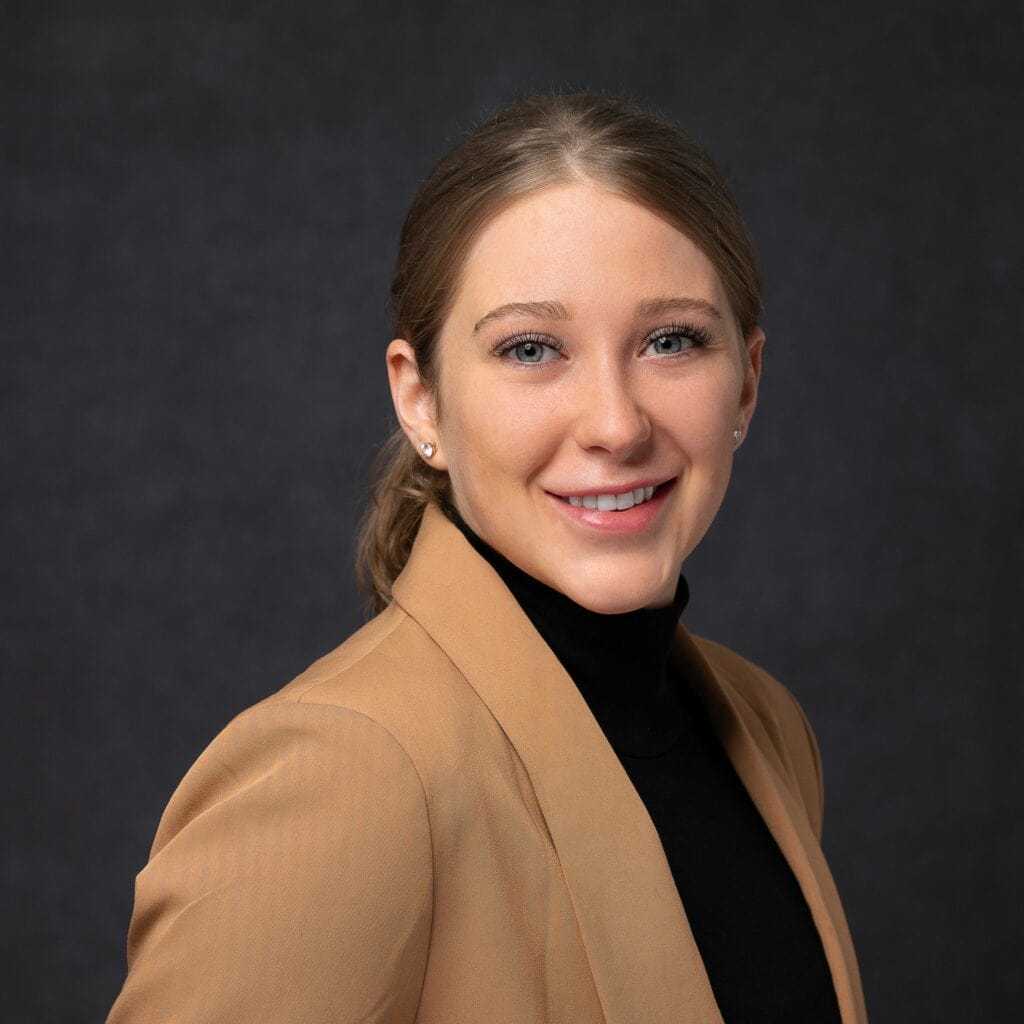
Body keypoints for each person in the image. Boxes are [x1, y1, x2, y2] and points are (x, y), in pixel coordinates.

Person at [106, 92, 867, 1023]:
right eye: (532, 348)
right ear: (420, 399)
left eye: (672, 341)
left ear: (746, 380)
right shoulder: (346, 776)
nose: (616, 425)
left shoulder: (766, 728)